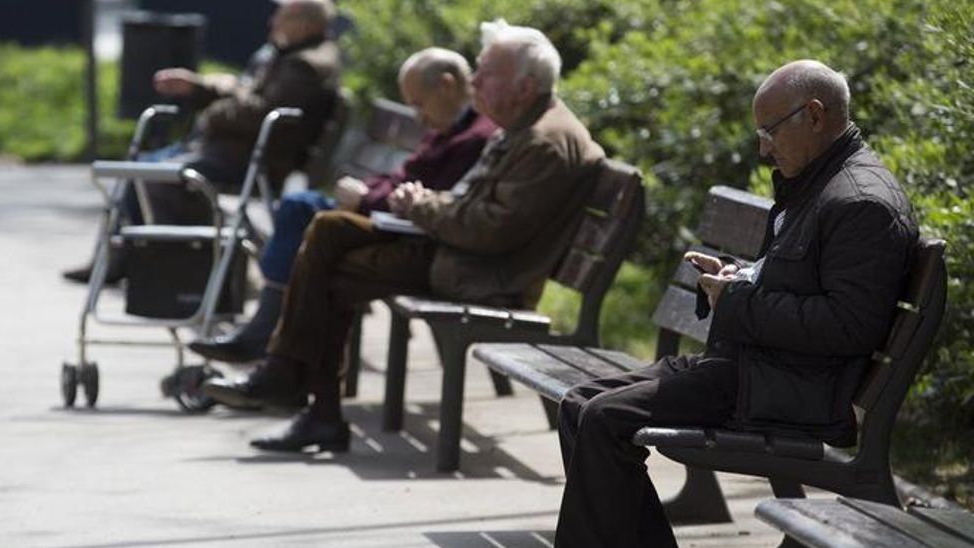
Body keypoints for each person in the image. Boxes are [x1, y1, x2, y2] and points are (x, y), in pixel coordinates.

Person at [552, 60, 918, 548]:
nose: (763, 147)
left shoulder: (860, 202)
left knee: (604, 419)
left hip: (785, 388)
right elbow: (796, 281)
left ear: (813, 114)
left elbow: (848, 325)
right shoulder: (817, 181)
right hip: (750, 367)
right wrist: (736, 275)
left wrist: (739, 299)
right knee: (579, 404)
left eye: (770, 131)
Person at [203, 20, 607, 451]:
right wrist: (426, 202)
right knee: (329, 242)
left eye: (485, 73)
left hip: (483, 273)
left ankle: (295, 386)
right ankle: (301, 393)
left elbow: (489, 231)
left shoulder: (544, 141)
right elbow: (476, 211)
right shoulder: (526, 124)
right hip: (463, 256)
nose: (474, 82)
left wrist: (421, 204)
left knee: (329, 240)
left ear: (524, 86)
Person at [187, 47, 499, 363]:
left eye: (419, 104)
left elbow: (424, 197)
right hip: (385, 218)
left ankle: (271, 345)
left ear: (446, 85)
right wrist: (366, 192)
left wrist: (365, 197)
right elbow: (401, 177)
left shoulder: (472, 137)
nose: (418, 117)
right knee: (302, 212)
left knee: (306, 217)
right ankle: (272, 345)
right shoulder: (449, 128)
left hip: (405, 235)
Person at [63, 0, 342, 284]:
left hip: (249, 159)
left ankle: (178, 270)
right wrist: (200, 87)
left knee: (153, 176)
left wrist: (212, 112)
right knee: (138, 168)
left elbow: (261, 112)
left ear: (305, 24)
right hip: (232, 149)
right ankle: (120, 259)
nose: (273, 22)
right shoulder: (291, 55)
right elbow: (247, 92)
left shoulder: (305, 65)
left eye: (281, 17)